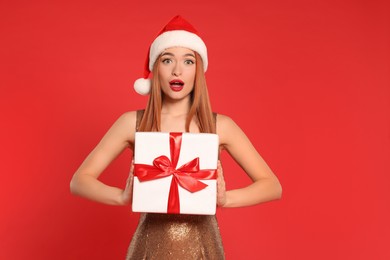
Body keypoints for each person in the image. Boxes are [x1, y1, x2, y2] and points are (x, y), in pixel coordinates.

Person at [70, 15, 282, 260]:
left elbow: (272, 186)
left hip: (203, 247)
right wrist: (122, 197)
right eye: (167, 60)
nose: (177, 70)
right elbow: (79, 181)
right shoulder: (132, 123)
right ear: (156, 68)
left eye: (188, 61)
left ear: (199, 70)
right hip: (149, 247)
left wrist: (225, 199)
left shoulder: (220, 126)